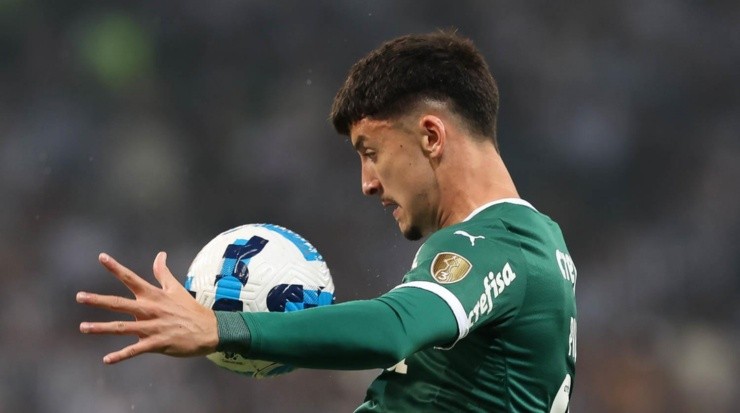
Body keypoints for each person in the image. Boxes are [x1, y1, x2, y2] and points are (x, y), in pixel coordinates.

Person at [78, 30, 577, 412]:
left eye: (371, 152)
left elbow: (392, 329)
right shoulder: (531, 244)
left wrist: (219, 326)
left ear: (431, 136)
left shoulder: (499, 244)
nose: (367, 183)